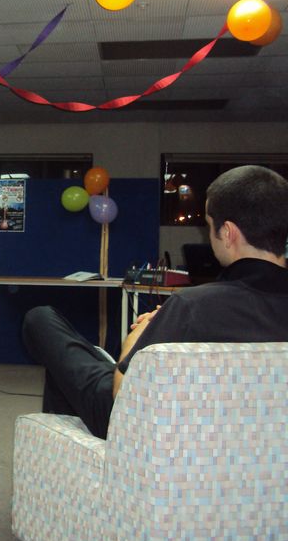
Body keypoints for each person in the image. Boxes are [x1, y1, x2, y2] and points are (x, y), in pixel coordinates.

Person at [22, 165, 288, 439]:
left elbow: (124, 394)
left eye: (210, 227)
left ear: (229, 232)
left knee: (41, 320)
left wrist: (139, 336)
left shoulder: (191, 306)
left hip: (143, 426)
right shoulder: (195, 306)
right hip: (247, 432)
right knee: (76, 366)